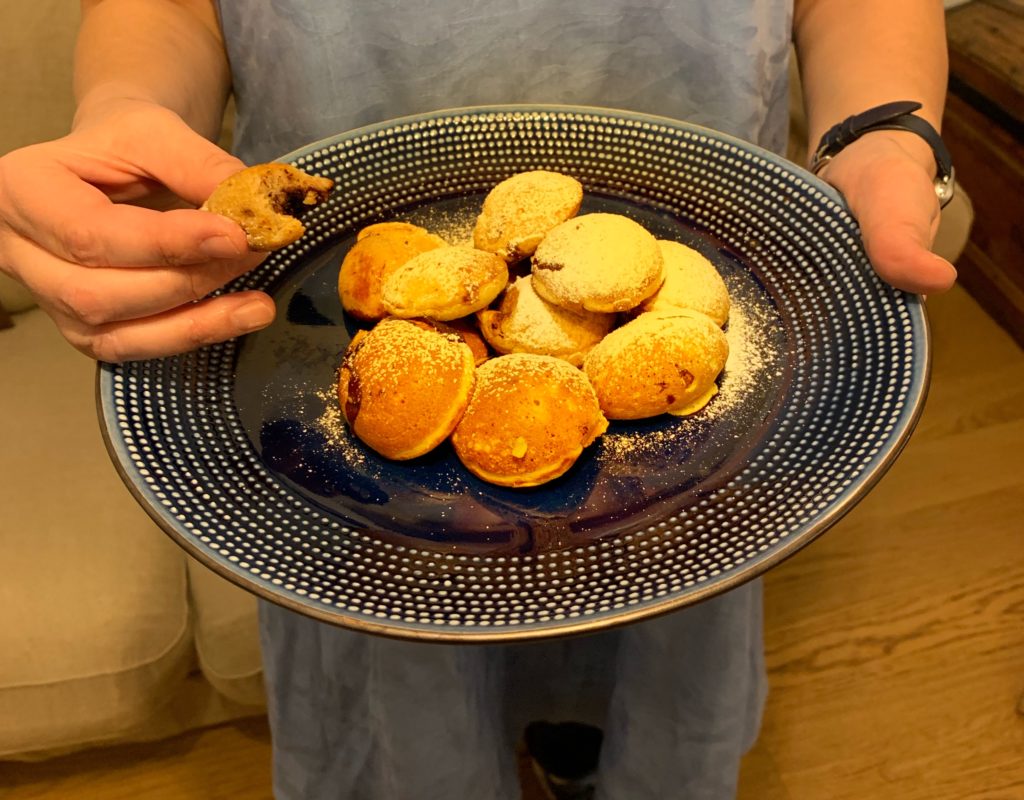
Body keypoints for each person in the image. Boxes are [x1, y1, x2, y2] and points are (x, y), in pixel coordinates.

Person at [0, 1, 956, 798]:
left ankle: (583, 756)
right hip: (322, 347)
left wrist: (883, 133)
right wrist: (125, 111)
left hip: (697, 422)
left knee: (643, 646)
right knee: (407, 712)